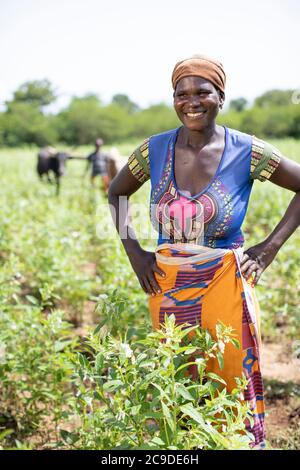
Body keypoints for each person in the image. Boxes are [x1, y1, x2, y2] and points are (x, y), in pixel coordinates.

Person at [108, 55, 300, 449]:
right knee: (176, 378)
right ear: (173, 99)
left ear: (220, 97)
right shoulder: (154, 150)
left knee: (231, 377)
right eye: (182, 94)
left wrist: (269, 248)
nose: (191, 101)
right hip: (166, 282)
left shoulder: (246, 151)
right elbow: (117, 191)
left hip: (226, 282)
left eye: (202, 92)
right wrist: (135, 252)